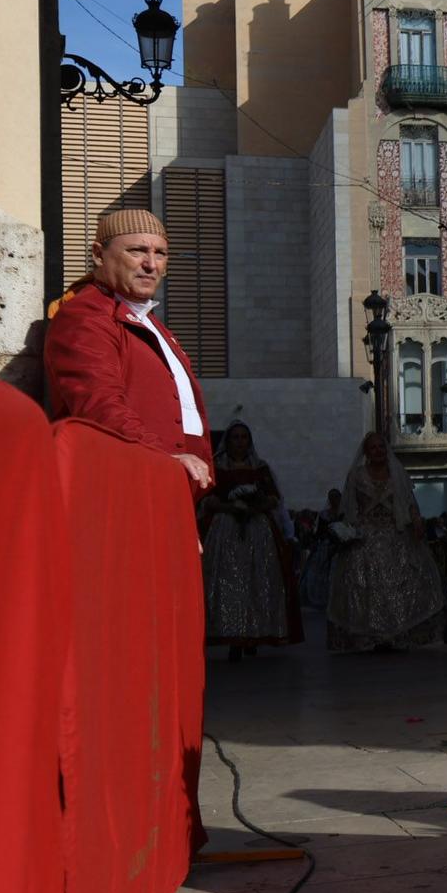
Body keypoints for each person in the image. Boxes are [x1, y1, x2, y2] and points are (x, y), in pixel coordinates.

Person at [44, 208, 212, 494]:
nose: (151, 264)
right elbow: (98, 404)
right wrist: (160, 458)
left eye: (161, 254)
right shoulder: (86, 316)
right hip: (130, 481)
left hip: (170, 483)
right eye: (137, 251)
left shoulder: (150, 322)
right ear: (99, 254)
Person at [326, 431, 446, 652]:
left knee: (400, 584)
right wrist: (345, 532)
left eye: (381, 447)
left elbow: (409, 502)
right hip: (365, 538)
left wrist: (417, 520)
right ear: (366, 452)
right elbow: (349, 508)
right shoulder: (356, 475)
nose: (378, 451)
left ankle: (397, 633)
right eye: (373, 448)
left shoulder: (397, 474)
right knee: (364, 586)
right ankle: (370, 635)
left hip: (396, 534)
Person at [200, 421, 303, 657]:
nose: (239, 441)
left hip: (258, 531)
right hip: (225, 530)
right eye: (235, 437)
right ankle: (234, 637)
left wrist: (255, 506)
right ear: (228, 441)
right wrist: (231, 506)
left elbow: (274, 498)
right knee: (230, 582)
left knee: (258, 581)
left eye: (244, 437)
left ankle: (254, 633)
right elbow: (208, 500)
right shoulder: (217, 467)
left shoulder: (261, 468)